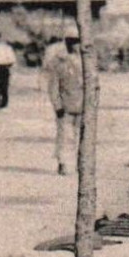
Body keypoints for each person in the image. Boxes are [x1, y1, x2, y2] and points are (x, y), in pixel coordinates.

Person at [45, 36, 84, 176]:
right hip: (66, 106)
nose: (77, 46)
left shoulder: (86, 62)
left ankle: (81, 164)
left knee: (81, 137)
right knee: (65, 137)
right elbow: (53, 87)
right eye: (74, 43)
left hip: (83, 106)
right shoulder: (60, 63)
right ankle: (63, 163)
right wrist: (57, 106)